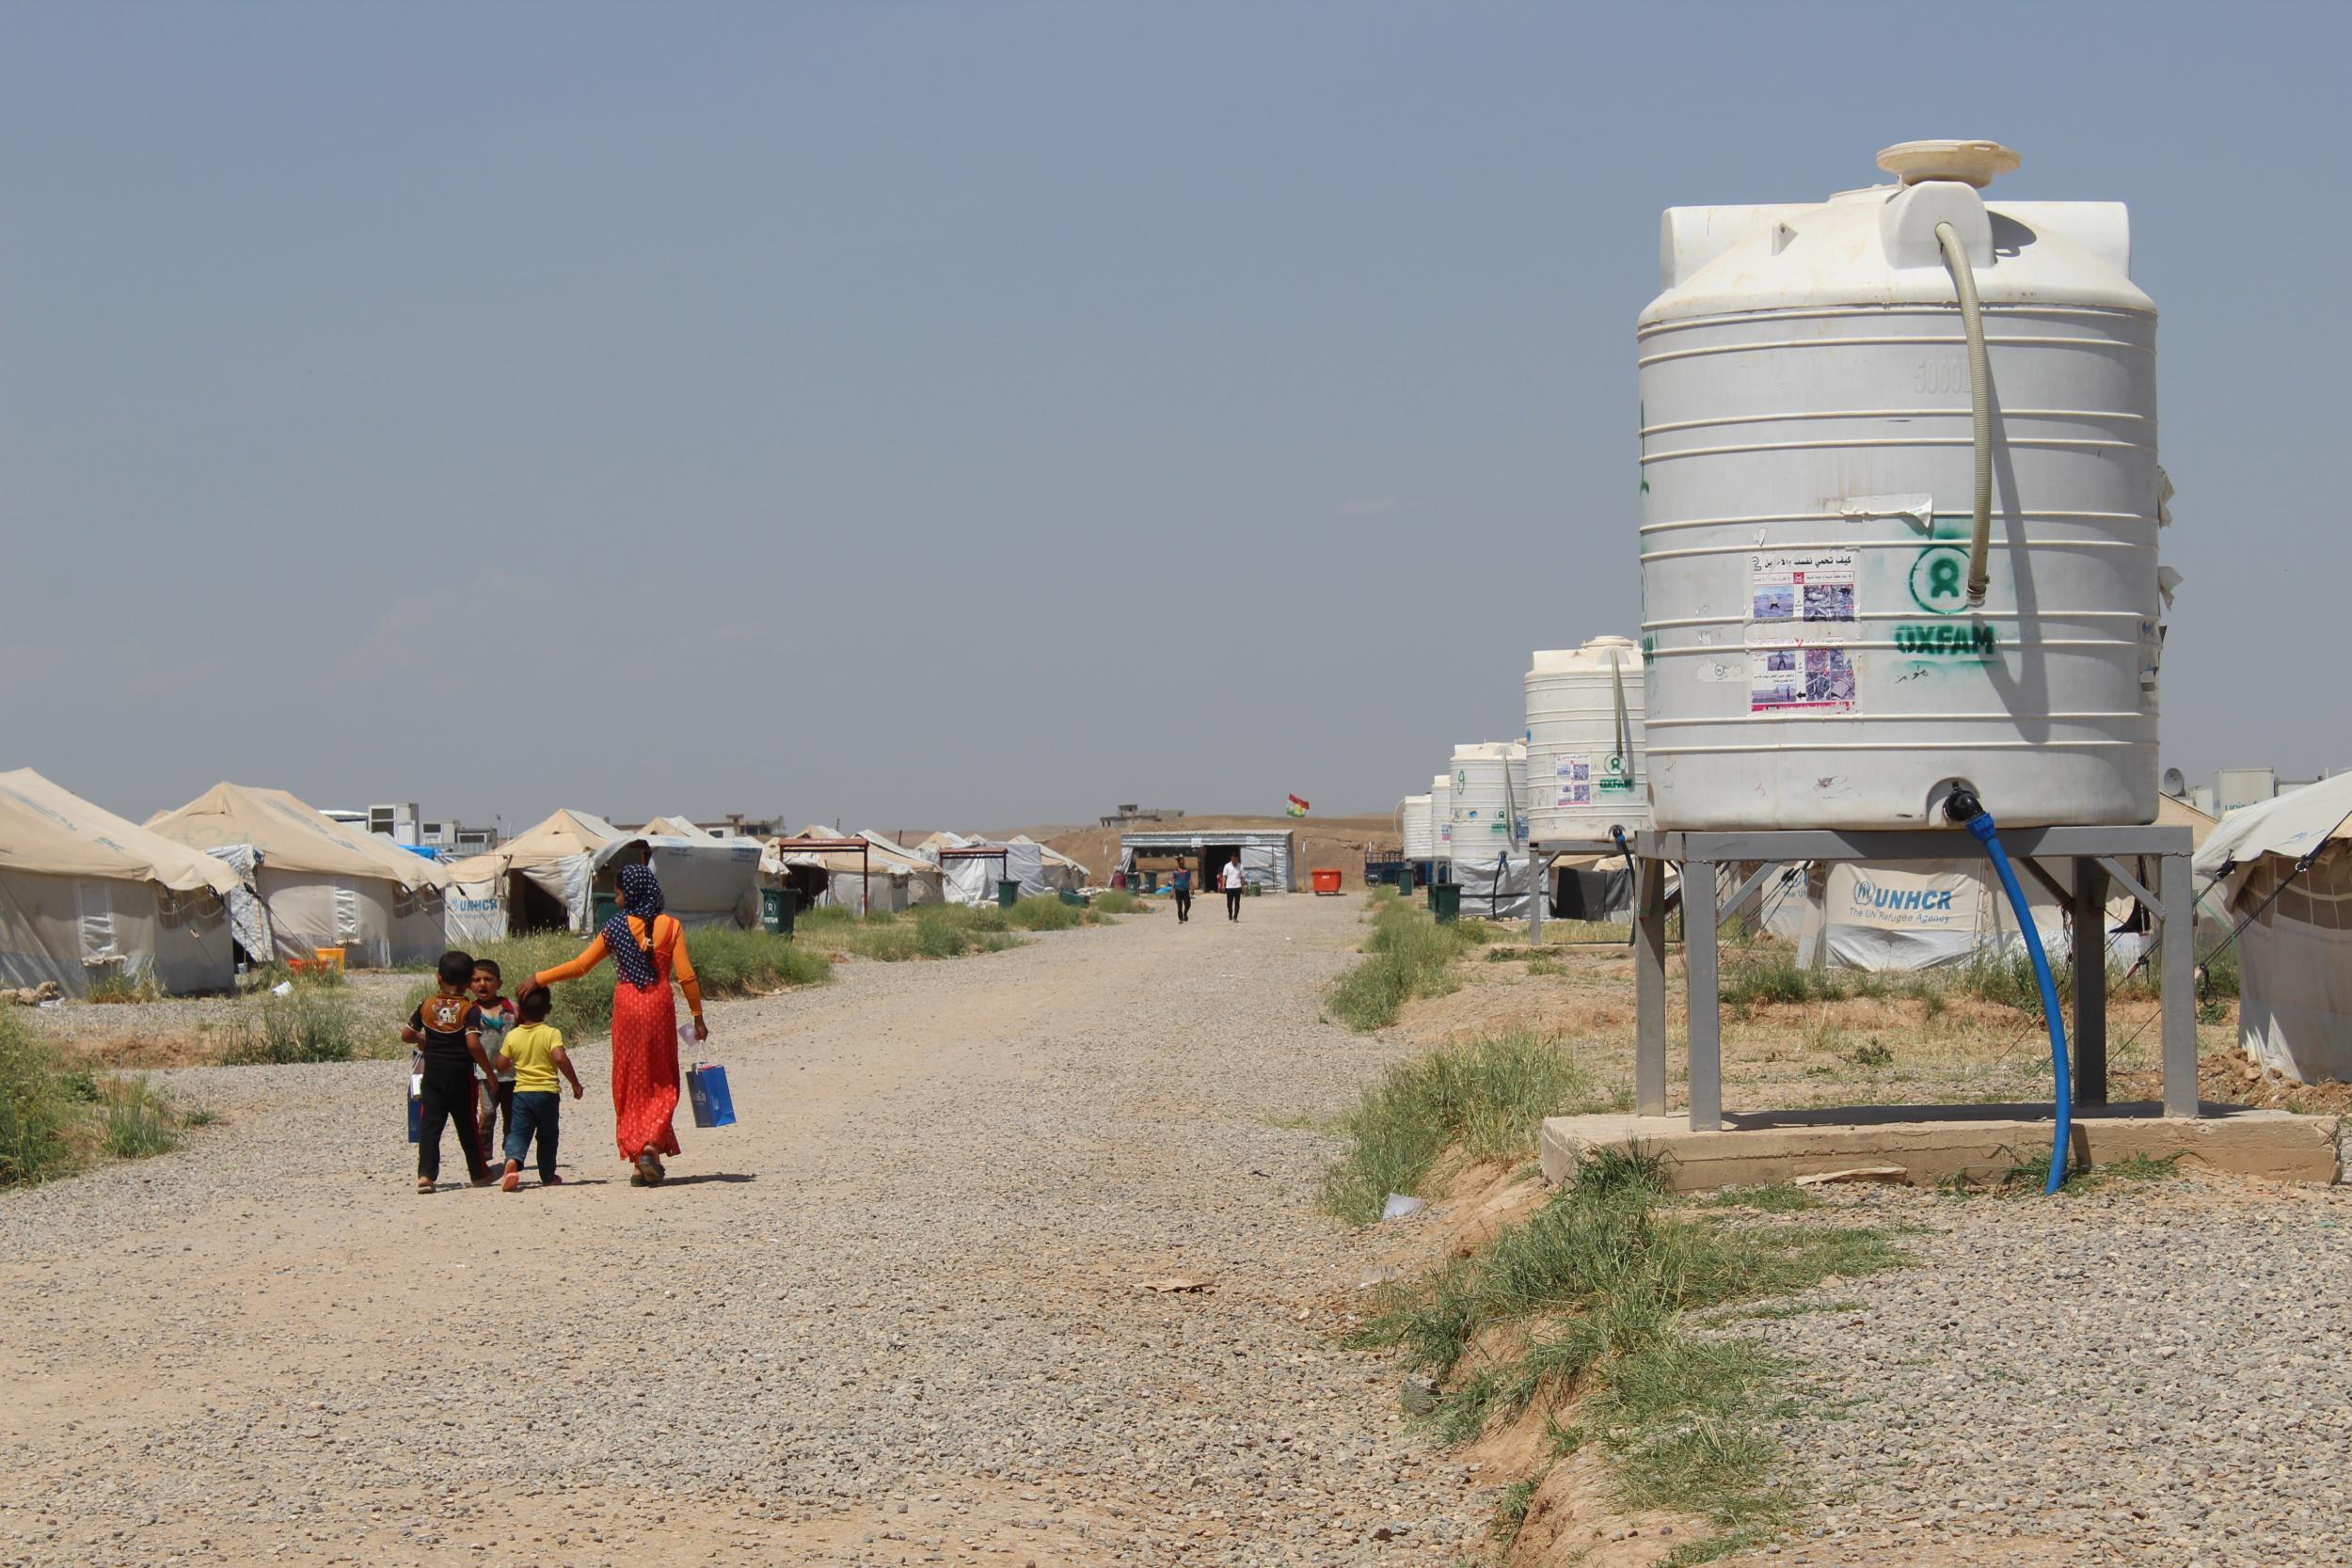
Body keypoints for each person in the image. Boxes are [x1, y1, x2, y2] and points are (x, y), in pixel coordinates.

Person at [528, 863, 707, 1187]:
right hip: (659, 1005)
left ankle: (639, 1160)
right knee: (662, 1078)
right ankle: (651, 1144)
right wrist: (697, 1016)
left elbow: (581, 966)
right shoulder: (672, 926)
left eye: (619, 890)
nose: (616, 896)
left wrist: (539, 978)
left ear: (630, 892)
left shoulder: (614, 927)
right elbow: (687, 976)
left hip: (627, 1006)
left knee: (629, 1079)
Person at [400, 949, 501, 1194]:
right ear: (469, 983)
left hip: (432, 1074)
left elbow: (406, 1035)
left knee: (430, 1126)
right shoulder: (469, 1010)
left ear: (438, 977)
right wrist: (489, 1072)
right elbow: (473, 1044)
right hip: (460, 1076)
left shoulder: (426, 1006)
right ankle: (478, 1173)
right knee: (467, 1124)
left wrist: (424, 1040)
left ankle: (426, 1175)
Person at [495, 985, 583, 1192]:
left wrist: (512, 1064)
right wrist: (575, 1084)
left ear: (519, 1011)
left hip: (522, 1093)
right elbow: (560, 1057)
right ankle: (548, 1175)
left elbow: (500, 1064)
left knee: (518, 1132)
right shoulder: (551, 1033)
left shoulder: (513, 1036)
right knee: (547, 1135)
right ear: (549, 1009)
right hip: (547, 1093)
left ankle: (512, 1162)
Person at [470, 958, 519, 1162]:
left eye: (488, 979)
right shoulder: (470, 1011)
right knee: (488, 1112)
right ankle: (484, 1154)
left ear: (499, 983)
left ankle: (511, 1154)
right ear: (469, 984)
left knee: (512, 1115)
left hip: (512, 1075)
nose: (482, 984)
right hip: (483, 1074)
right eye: (476, 980)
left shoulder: (512, 1008)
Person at [1220, 854, 1245, 921]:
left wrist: (1242, 886)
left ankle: (1235, 917)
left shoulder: (1240, 866)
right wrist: (1223, 885)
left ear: (1237, 859)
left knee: (1237, 903)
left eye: (1236, 860)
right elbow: (1224, 876)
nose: (1235, 861)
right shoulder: (1227, 866)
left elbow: (1243, 877)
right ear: (1231, 859)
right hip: (1229, 887)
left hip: (1237, 886)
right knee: (1229, 903)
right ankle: (1230, 913)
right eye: (1233, 860)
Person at [1170, 860, 1192, 924]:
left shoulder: (1187, 871)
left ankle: (1185, 913)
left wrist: (1192, 888)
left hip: (1185, 890)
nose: (1182, 863)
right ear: (1178, 863)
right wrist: (1172, 890)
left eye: (1183, 862)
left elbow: (1190, 879)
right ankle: (1181, 919)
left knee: (1188, 904)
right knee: (1179, 905)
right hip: (1178, 890)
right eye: (1180, 862)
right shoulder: (1175, 872)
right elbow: (1173, 880)